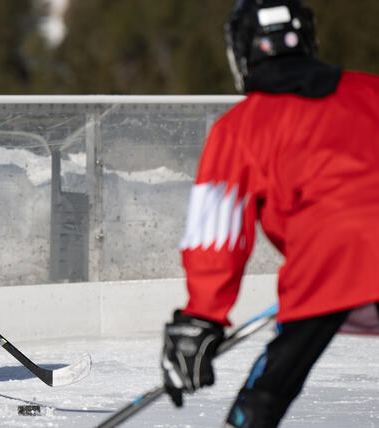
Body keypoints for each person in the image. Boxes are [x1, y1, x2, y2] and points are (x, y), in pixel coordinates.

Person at [160, 0, 379, 426]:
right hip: (337, 262)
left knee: (267, 394)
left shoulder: (240, 126)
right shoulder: (371, 90)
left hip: (331, 263)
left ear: (242, 53)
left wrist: (201, 317)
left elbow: (217, 235)